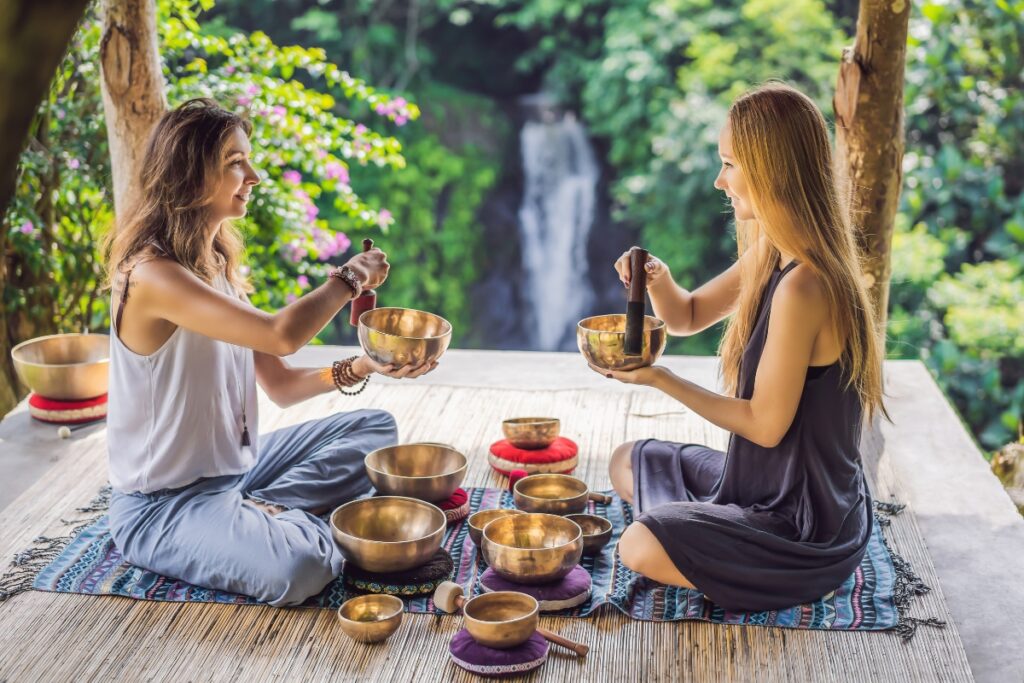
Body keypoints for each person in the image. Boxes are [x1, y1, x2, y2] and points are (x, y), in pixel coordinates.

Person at [103, 98, 435, 606]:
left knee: (374, 430)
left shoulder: (213, 264)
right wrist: (348, 278)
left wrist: (368, 364)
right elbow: (281, 334)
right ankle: (275, 527)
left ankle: (257, 511)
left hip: (240, 472)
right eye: (235, 163)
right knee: (300, 570)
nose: (253, 175)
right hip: (162, 507)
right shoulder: (151, 276)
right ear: (188, 173)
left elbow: (279, 384)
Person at [594, 83, 887, 611]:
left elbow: (764, 424)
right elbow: (685, 316)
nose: (718, 180)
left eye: (729, 164)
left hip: (804, 523)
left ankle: (721, 541)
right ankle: (708, 526)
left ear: (770, 168)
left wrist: (660, 378)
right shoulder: (774, 251)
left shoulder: (805, 285)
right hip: (754, 483)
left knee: (638, 545)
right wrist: (656, 277)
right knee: (627, 461)